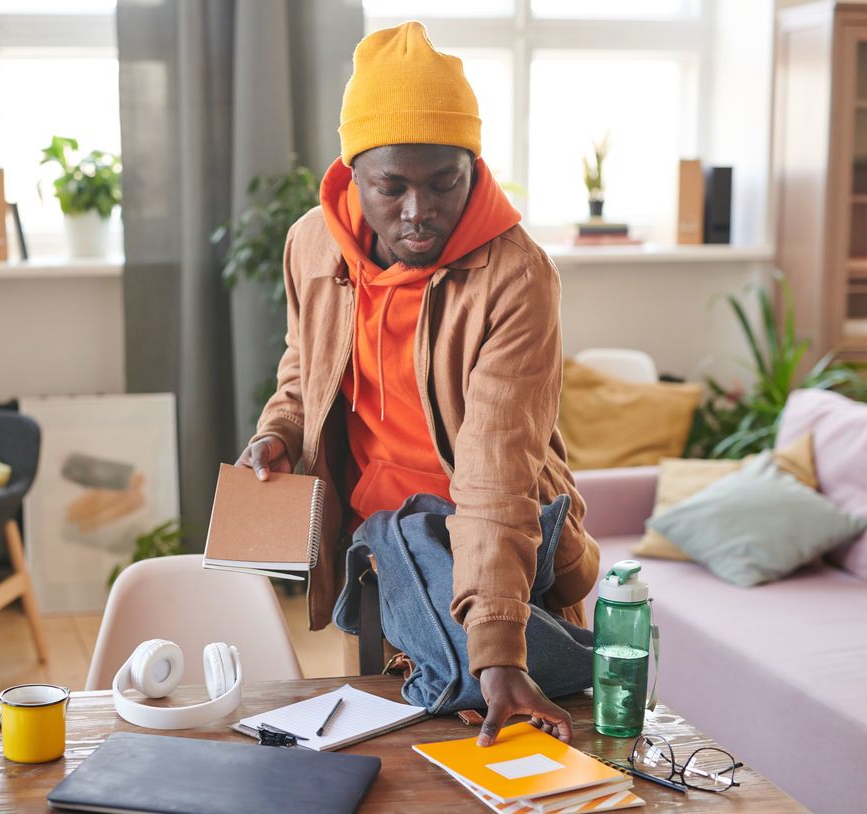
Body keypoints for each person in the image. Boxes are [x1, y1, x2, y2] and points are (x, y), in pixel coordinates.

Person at [233, 21, 600, 747]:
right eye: (390, 186)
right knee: (389, 753)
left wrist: (496, 651)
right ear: (351, 174)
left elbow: (497, 469)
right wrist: (278, 432)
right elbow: (305, 367)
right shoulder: (311, 243)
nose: (417, 211)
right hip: (375, 552)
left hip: (496, 556)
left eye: (444, 182)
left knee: (514, 752)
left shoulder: (515, 275)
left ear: (473, 165)